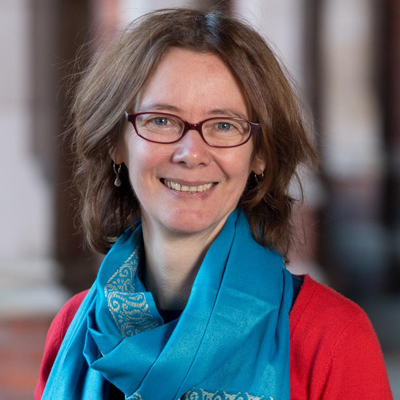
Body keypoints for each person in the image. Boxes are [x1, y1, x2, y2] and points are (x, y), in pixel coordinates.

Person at [35, 8, 393, 400]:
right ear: (116, 143)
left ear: (260, 155)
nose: (191, 153)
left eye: (224, 125)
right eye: (161, 120)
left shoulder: (330, 337)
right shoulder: (72, 330)